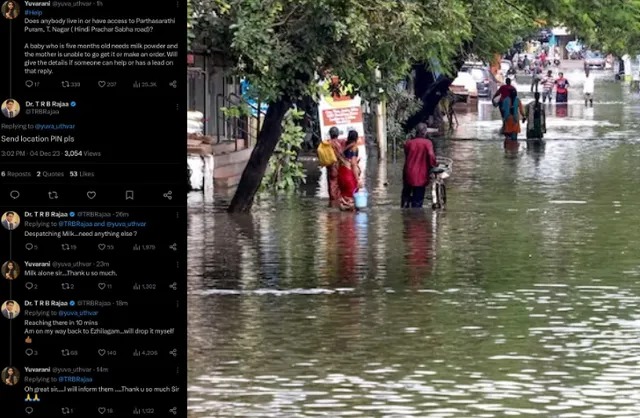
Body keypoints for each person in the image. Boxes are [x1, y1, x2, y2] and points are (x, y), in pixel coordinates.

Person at [401, 123, 437, 208]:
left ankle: (405, 217)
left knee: (405, 199)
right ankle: (416, 218)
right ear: (424, 132)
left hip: (408, 174)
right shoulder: (427, 143)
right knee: (417, 202)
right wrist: (434, 165)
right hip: (420, 177)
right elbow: (431, 156)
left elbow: (407, 157)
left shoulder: (409, 143)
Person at [336, 130, 362, 211]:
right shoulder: (354, 148)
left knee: (344, 196)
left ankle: (343, 214)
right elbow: (353, 165)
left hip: (341, 173)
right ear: (356, 138)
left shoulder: (344, 146)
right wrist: (358, 180)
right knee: (352, 198)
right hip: (348, 174)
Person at [325, 127, 344, 206]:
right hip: (336, 167)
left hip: (329, 167)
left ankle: (332, 203)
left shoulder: (327, 143)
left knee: (331, 185)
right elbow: (340, 155)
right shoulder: (337, 144)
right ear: (337, 134)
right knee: (336, 186)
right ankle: (335, 203)